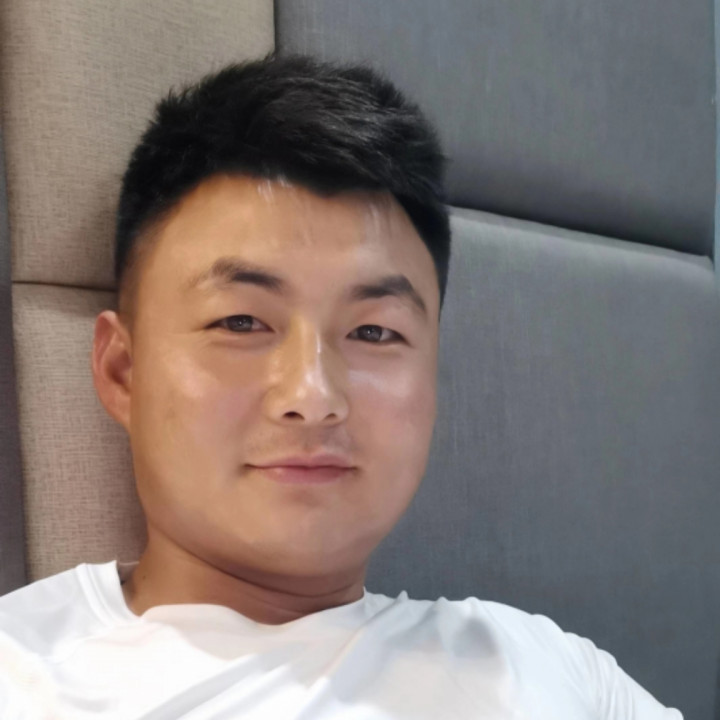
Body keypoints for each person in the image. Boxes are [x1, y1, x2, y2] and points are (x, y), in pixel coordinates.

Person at [0, 52, 682, 719]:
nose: (313, 395)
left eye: (374, 332)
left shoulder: (545, 666)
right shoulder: (23, 673)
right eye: (241, 322)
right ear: (122, 372)